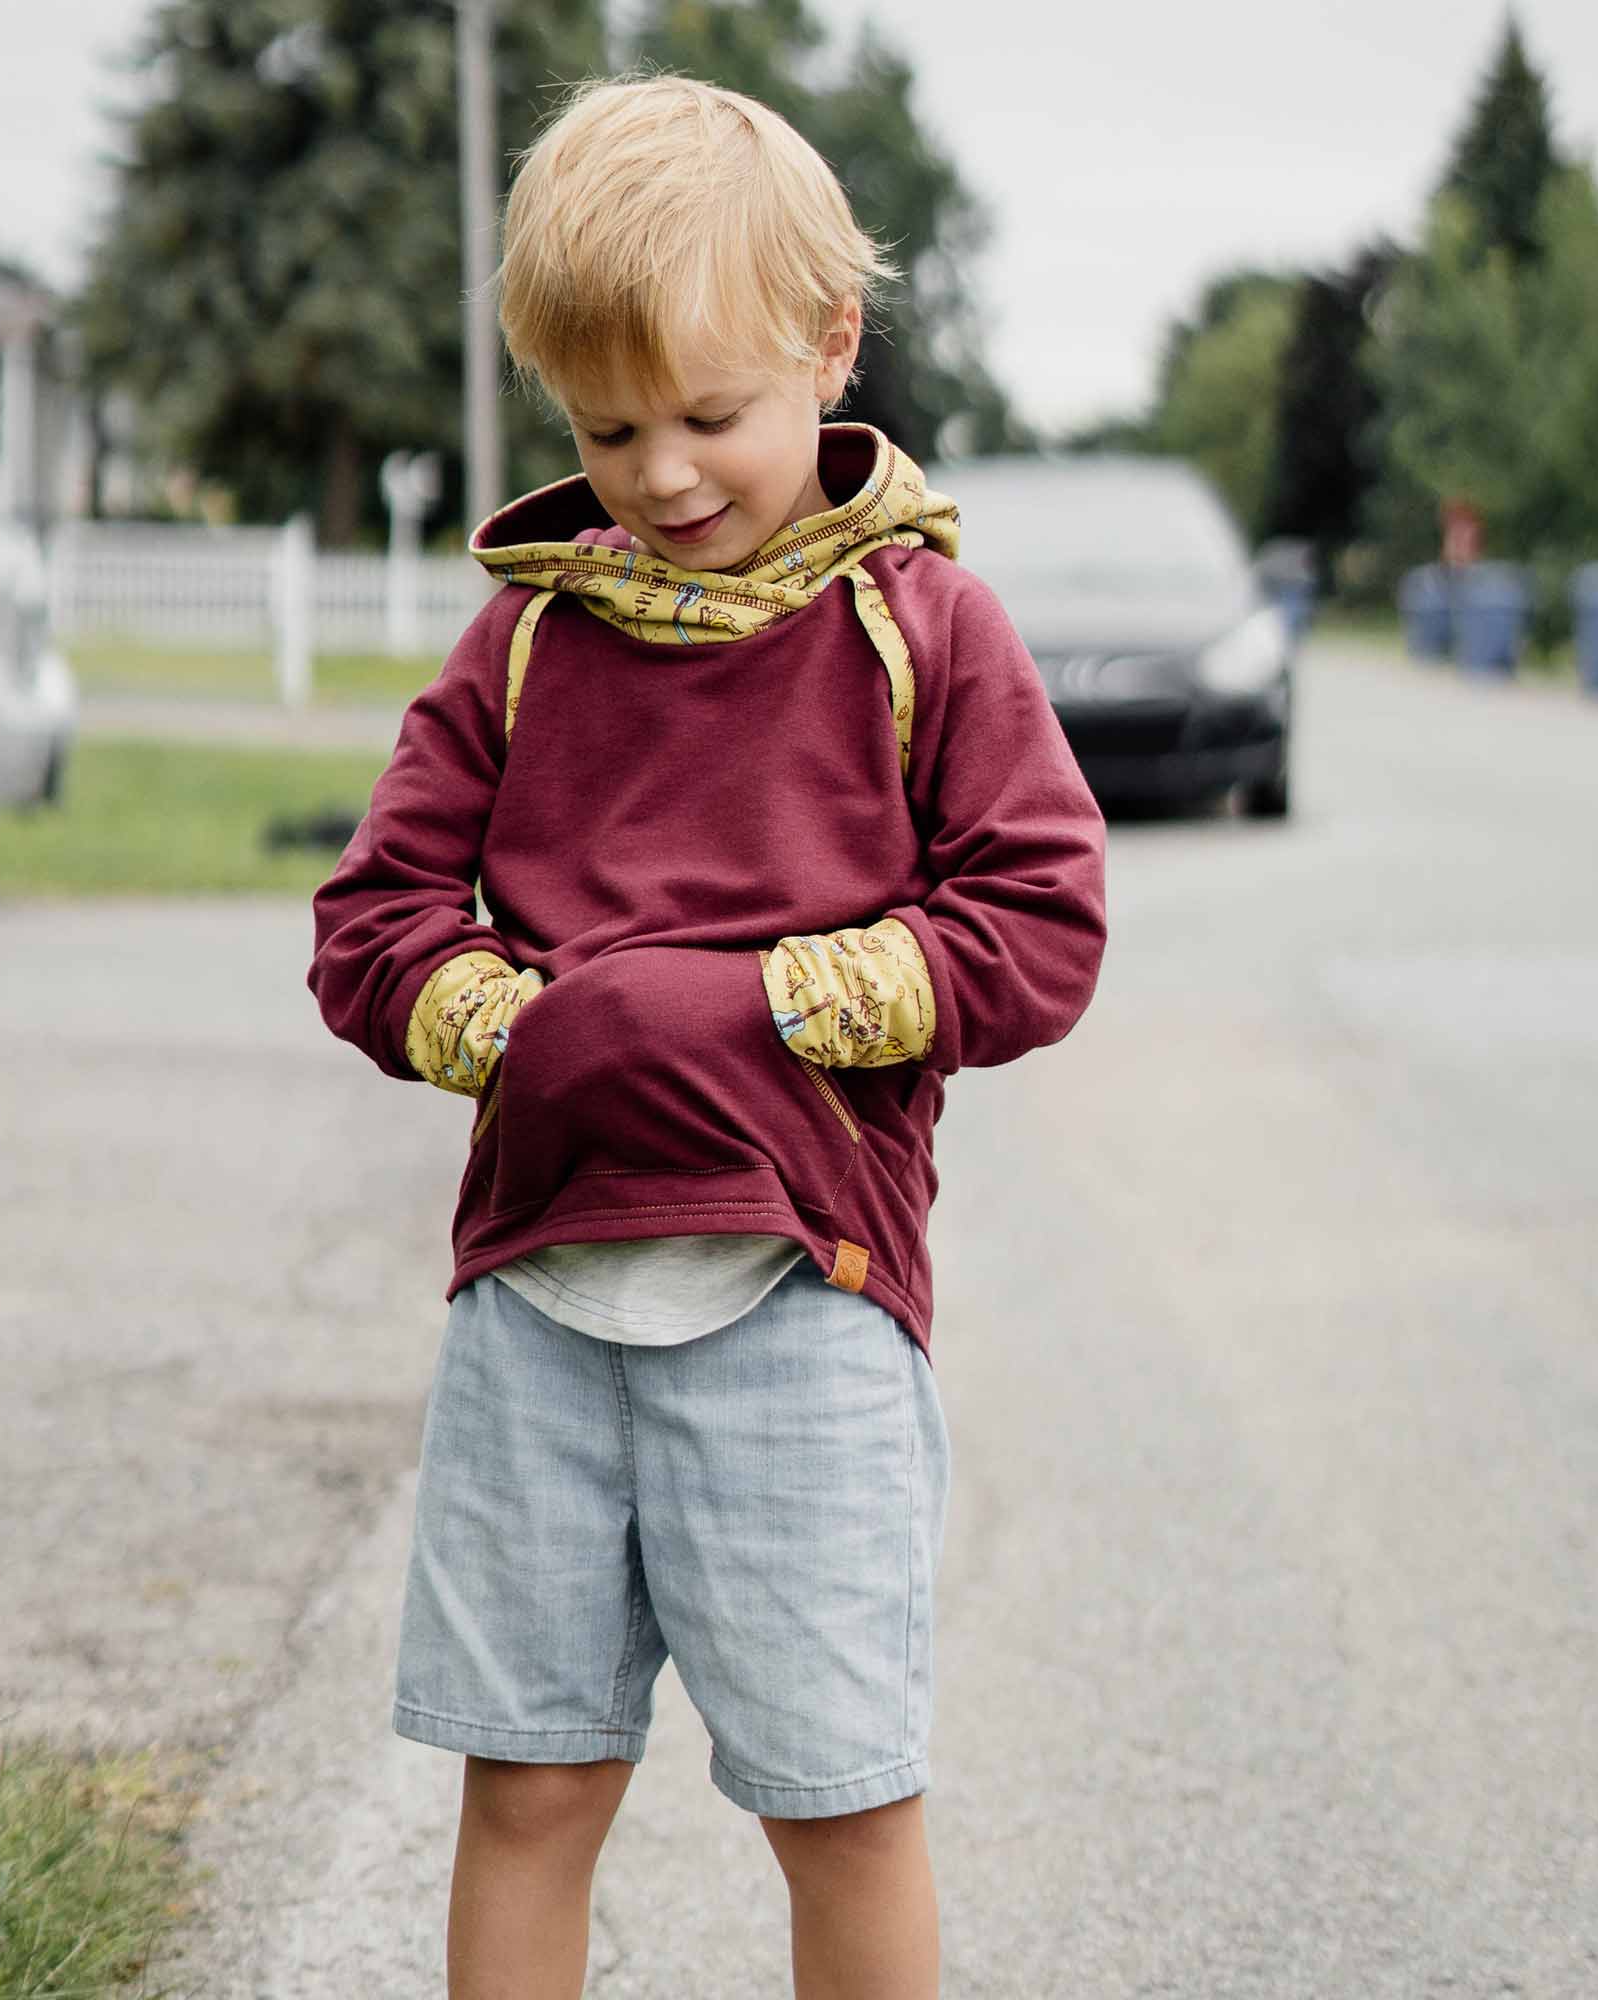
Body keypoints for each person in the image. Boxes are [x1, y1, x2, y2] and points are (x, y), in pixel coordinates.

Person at [307, 73, 1107, 2000]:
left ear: (829, 348)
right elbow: (372, 923)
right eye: (608, 430)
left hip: (803, 1306)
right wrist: (529, 1029)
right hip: (538, 1313)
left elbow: (1039, 921)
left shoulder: (927, 629)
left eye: (710, 416)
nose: (661, 475)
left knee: (842, 1805)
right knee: (527, 1793)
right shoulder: (524, 644)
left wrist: (769, 1004)